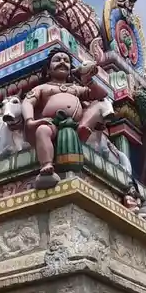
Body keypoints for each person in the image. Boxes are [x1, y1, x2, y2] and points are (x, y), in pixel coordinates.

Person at [21, 47, 107, 188]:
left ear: (70, 70)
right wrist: (30, 121)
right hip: (52, 123)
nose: (62, 62)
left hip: (75, 124)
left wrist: (88, 80)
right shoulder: (43, 88)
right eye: (57, 60)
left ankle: (81, 131)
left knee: (98, 106)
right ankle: (47, 165)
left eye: (66, 61)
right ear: (48, 70)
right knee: (42, 130)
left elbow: (101, 95)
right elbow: (28, 102)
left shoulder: (75, 88)